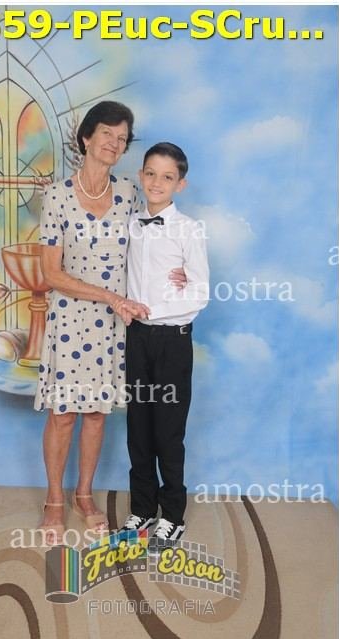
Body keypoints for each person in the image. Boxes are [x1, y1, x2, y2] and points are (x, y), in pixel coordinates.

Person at [34, 104, 184, 544]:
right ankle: (54, 499)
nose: (114, 143)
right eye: (107, 133)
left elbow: (149, 246)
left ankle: (84, 495)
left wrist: (180, 270)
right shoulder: (57, 196)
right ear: (86, 138)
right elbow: (51, 273)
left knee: (96, 415)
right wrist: (110, 297)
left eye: (122, 138)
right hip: (71, 318)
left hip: (111, 325)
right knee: (64, 415)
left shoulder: (129, 193)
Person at [120, 142, 209, 542]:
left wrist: (151, 308)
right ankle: (142, 509)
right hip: (136, 339)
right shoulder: (131, 224)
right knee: (138, 428)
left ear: (180, 184)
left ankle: (173, 514)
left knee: (167, 432)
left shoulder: (189, 230)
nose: (157, 182)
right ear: (141, 175)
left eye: (167, 177)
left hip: (172, 342)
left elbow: (200, 293)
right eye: (151, 173)